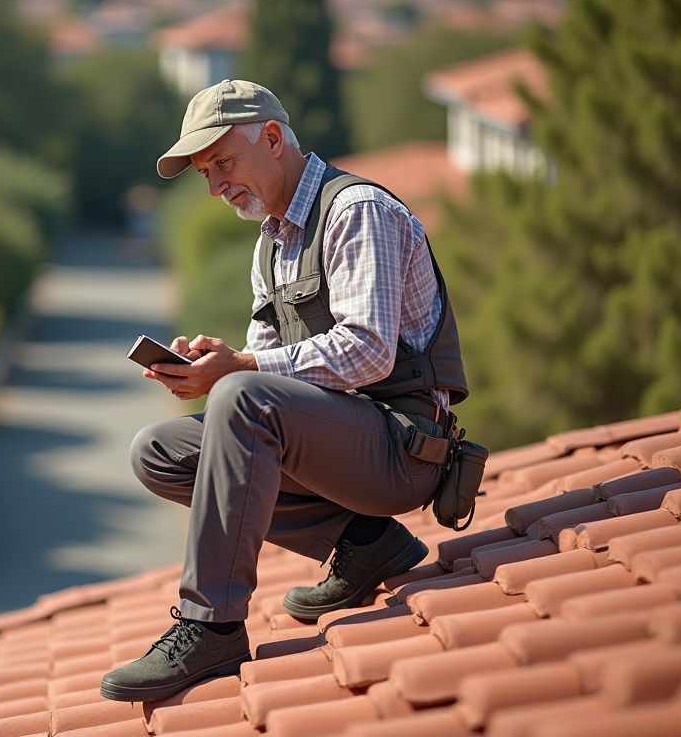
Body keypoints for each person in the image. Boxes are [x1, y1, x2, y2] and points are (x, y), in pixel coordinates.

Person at [99, 79, 469, 703]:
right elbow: (261, 364)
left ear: (272, 139)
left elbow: (368, 351)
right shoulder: (272, 242)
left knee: (241, 400)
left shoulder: (356, 211)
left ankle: (211, 625)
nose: (215, 186)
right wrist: (208, 368)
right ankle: (367, 541)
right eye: (204, 173)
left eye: (222, 163)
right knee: (156, 450)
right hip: (345, 449)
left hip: (405, 453)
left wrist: (237, 369)